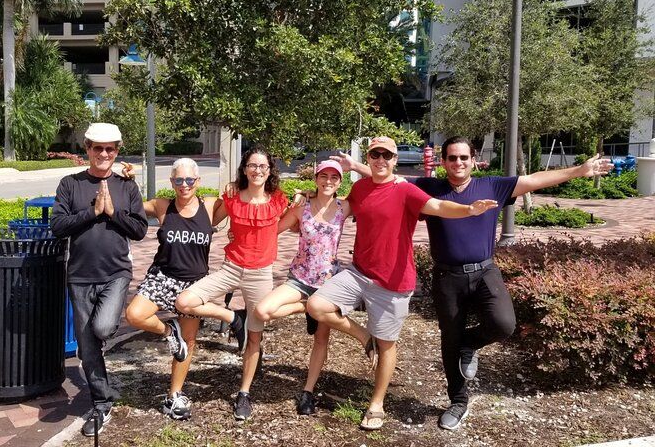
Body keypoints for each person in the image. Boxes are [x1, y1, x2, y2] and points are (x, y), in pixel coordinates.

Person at [330, 135, 613, 430]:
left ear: (473, 159)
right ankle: (458, 401)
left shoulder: (491, 185)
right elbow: (387, 175)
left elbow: (534, 180)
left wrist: (579, 170)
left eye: (464, 157)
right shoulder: (430, 187)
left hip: (484, 271)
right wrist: (357, 166)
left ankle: (469, 344)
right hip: (446, 277)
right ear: (443, 162)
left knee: (503, 324)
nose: (458, 163)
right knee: (448, 341)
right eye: (452, 158)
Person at [306, 136, 498, 431]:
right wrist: (307, 204)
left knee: (387, 345)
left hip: (393, 282)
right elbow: (339, 211)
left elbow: (438, 206)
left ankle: (377, 403)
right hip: (359, 273)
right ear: (368, 159)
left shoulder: (407, 191)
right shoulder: (360, 187)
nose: (380, 160)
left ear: (395, 160)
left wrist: (468, 210)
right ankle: (362, 336)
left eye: (387, 155)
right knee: (316, 305)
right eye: (375, 155)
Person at [123, 158, 247, 421]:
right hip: (162, 276)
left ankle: (175, 396)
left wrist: (236, 185)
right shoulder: (162, 206)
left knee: (189, 342)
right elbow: (132, 206)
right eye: (178, 180)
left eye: (190, 180)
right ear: (172, 182)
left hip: (194, 284)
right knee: (134, 315)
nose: (184, 185)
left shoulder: (210, 205)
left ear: (198, 182)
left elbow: (242, 202)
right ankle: (170, 332)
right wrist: (129, 179)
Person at [175, 145, 289, 421]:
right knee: (184, 301)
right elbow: (208, 220)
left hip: (261, 273)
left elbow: (293, 218)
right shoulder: (232, 198)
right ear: (244, 169)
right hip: (231, 268)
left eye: (263, 166)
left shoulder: (279, 200)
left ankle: (244, 393)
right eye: (252, 165)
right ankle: (232, 317)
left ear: (270, 170)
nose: (257, 170)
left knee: (254, 336)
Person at [51, 122, 148, 437]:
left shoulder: (127, 187)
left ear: (117, 150)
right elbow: (59, 226)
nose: (104, 153)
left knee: (103, 327)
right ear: (88, 150)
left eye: (110, 148)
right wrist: (92, 212)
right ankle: (101, 403)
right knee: (88, 348)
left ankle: (96, 349)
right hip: (79, 276)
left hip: (115, 273)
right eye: (97, 148)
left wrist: (111, 213)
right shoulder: (70, 184)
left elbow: (140, 230)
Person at [253, 160, 350, 416]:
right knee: (263, 311)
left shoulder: (344, 207)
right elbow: (271, 230)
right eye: (323, 176)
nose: (328, 181)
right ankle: (311, 308)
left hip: (327, 283)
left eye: (334, 177)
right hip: (299, 279)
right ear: (316, 179)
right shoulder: (301, 208)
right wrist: (240, 236)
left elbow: (373, 193)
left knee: (321, 339)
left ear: (340, 182)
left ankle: (307, 391)